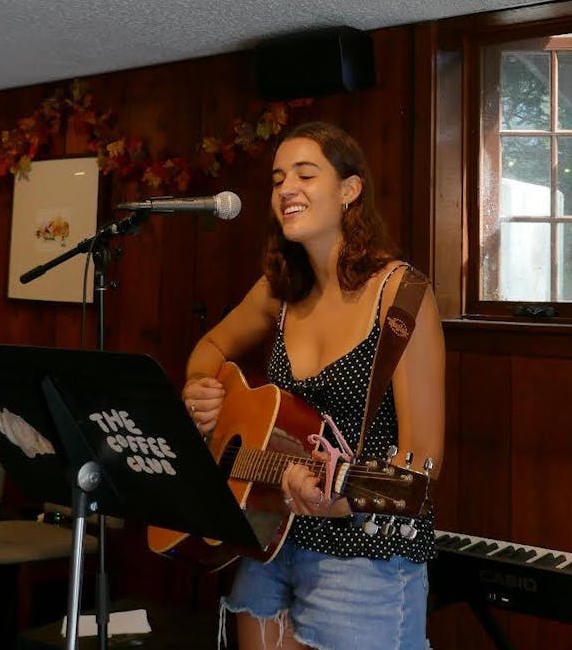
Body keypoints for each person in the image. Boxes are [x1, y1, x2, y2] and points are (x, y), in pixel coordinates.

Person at [182, 121, 445, 650]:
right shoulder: (278, 291)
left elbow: (418, 469)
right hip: (270, 541)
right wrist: (198, 389)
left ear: (350, 190)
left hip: (364, 558)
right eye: (278, 179)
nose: (286, 190)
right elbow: (209, 350)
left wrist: (341, 501)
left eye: (305, 174)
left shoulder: (400, 295)